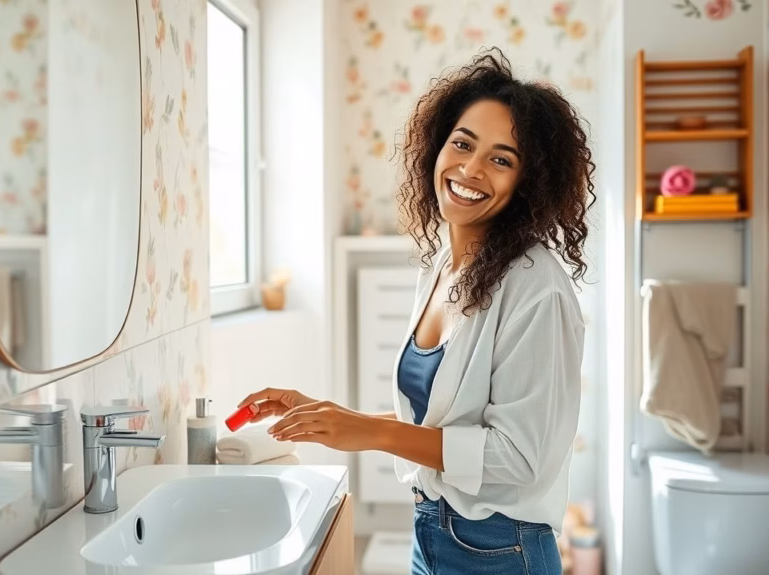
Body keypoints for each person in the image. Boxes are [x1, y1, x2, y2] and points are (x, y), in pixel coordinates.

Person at [237, 47, 593, 575]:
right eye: (463, 144)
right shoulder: (445, 264)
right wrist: (332, 416)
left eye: (501, 159)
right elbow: (445, 424)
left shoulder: (537, 288)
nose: (470, 169)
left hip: (501, 550)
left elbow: (518, 459)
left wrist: (373, 434)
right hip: (434, 532)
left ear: (528, 183)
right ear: (437, 146)